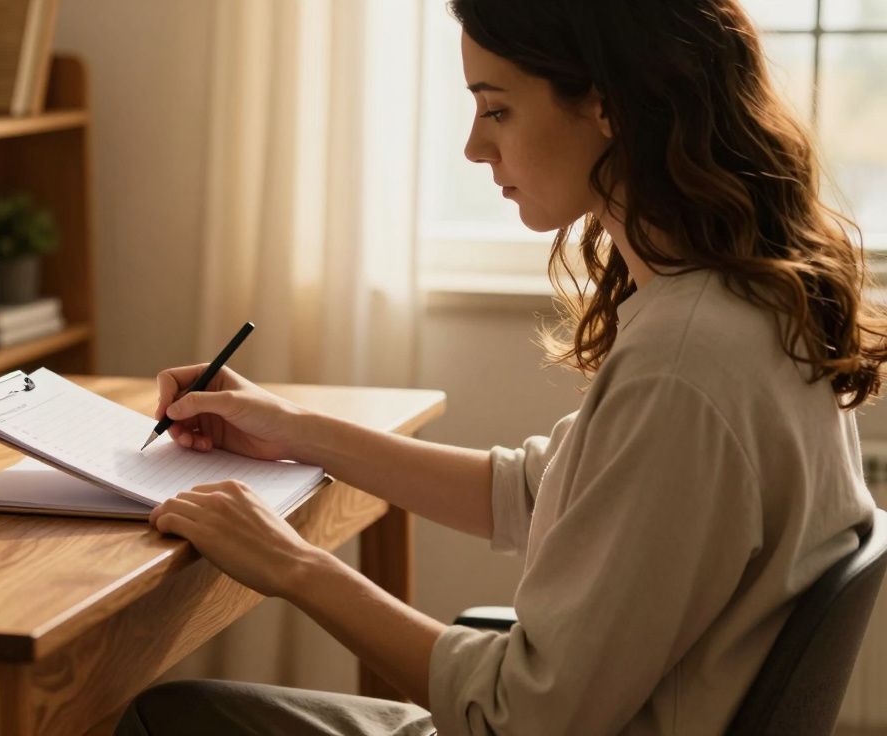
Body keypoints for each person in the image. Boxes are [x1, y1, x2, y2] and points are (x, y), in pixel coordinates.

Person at [116, 0, 884, 733]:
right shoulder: (739, 306)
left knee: (166, 715)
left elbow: (521, 718)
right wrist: (294, 431)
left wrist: (291, 563)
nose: (475, 147)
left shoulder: (684, 365)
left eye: (497, 108)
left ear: (609, 103)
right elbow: (535, 492)